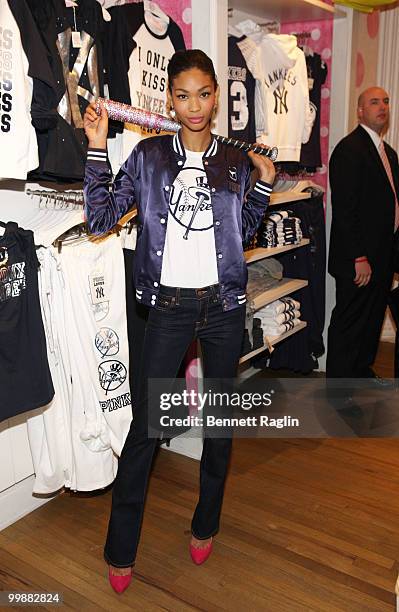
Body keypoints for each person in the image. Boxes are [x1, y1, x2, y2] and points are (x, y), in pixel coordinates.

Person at [83, 49, 275, 593]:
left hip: (223, 307)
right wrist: (97, 147)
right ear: (170, 98)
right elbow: (99, 218)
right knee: (145, 429)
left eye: (205, 94)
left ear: (217, 98)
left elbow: (245, 232)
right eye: (184, 95)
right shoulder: (147, 157)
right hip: (167, 307)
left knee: (218, 425)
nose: (195, 105)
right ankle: (121, 550)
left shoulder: (235, 161)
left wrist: (261, 183)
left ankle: (206, 521)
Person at [327, 87, 399, 390]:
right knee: (350, 322)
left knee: (371, 322)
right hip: (359, 260)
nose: (381, 107)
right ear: (360, 111)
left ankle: (361, 374)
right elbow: (345, 210)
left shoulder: (389, 153)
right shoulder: (349, 150)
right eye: (373, 102)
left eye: (385, 102)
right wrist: (359, 257)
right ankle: (338, 390)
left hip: (383, 256)